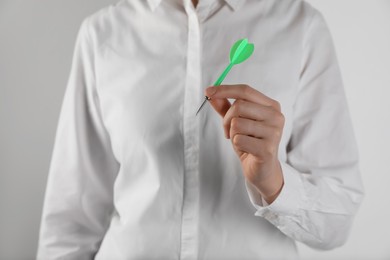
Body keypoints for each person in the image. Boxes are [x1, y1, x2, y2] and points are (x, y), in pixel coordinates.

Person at [37, 0, 364, 259]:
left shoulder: (300, 25)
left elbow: (337, 224)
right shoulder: (104, 32)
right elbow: (70, 221)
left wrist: (274, 182)